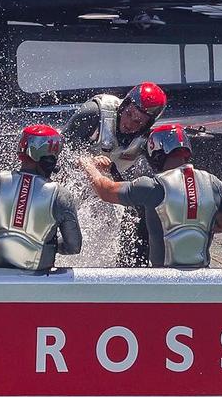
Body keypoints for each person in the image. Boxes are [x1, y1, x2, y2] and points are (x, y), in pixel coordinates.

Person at [80, 123, 222, 268]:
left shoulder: (152, 186)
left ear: (155, 153)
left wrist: (89, 165)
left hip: (163, 282)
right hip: (201, 278)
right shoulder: (213, 183)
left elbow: (105, 191)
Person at [63, 82, 168, 266]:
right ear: (124, 105)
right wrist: (86, 158)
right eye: (128, 115)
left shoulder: (146, 139)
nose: (129, 124)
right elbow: (61, 151)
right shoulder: (95, 113)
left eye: (138, 122)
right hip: (73, 177)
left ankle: (128, 264)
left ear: (147, 124)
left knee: (133, 214)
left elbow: (162, 173)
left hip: (105, 186)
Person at [0, 125, 81, 271]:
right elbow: (74, 246)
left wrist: (2, 232)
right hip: (37, 283)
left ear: (22, 150)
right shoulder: (61, 195)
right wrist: (44, 240)